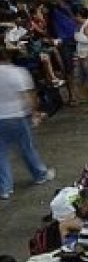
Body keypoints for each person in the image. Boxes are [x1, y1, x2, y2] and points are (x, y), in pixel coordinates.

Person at [0, 49, 54, 200]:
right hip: (17, 116)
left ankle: (5, 188)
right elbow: (29, 95)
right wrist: (35, 113)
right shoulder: (17, 73)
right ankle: (40, 174)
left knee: (1, 153)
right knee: (27, 147)